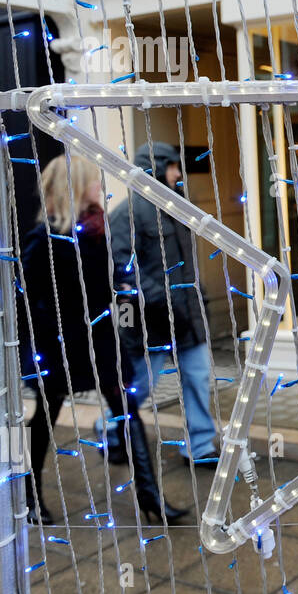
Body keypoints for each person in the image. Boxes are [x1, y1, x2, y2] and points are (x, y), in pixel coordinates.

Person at [19, 155, 187, 525]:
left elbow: (108, 279)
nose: (100, 187)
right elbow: (28, 298)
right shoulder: (45, 239)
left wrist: (125, 288)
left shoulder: (98, 230)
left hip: (101, 339)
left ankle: (151, 498)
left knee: (128, 412)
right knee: (46, 416)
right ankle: (30, 496)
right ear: (77, 187)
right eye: (94, 182)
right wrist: (43, 343)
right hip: (61, 346)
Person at [109, 143, 219, 465]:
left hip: (185, 313)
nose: (177, 173)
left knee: (197, 378)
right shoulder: (127, 213)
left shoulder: (180, 208)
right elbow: (121, 265)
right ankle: (111, 431)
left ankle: (199, 447)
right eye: (172, 167)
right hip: (149, 319)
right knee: (140, 385)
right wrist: (161, 299)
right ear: (156, 169)